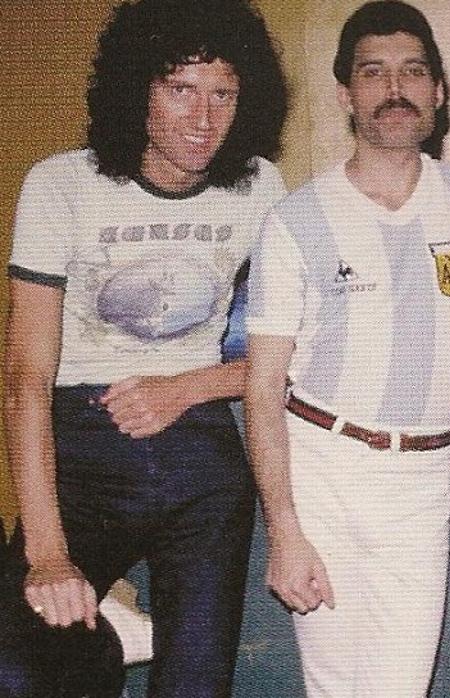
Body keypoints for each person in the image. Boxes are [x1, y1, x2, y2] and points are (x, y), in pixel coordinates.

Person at [242, 1, 450, 695]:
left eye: (413, 71)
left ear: (438, 91)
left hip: (421, 479)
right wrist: (284, 532)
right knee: (334, 686)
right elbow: (261, 388)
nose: (395, 89)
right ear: (345, 94)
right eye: (373, 73)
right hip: (322, 470)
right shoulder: (295, 220)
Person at [0, 0, 288, 695]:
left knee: (195, 685)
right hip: (80, 446)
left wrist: (187, 387)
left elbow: (305, 348)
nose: (204, 118)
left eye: (224, 94)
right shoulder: (62, 185)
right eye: (180, 88)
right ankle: (102, 639)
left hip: (199, 448)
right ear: (137, 88)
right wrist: (47, 554)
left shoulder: (260, 187)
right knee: (15, 667)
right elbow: (25, 378)